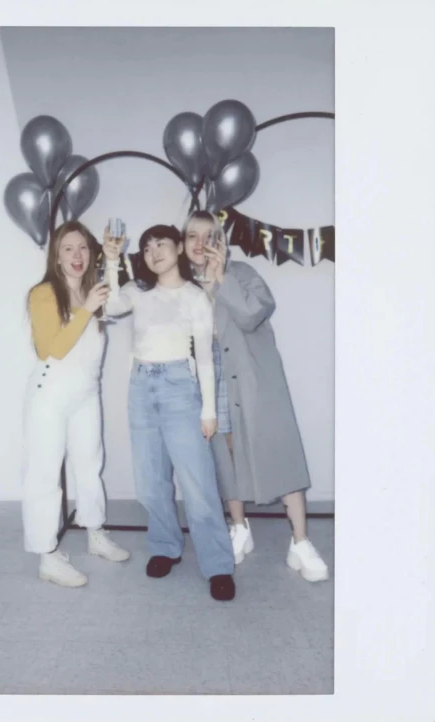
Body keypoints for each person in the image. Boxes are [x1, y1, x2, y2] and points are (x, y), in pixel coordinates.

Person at [182, 210, 329, 583]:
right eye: (191, 237)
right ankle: (239, 527)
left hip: (253, 382)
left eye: (207, 235)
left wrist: (221, 280)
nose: (199, 244)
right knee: (225, 457)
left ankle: (300, 542)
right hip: (213, 386)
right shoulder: (184, 288)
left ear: (220, 241)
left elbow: (252, 315)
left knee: (279, 454)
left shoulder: (243, 274)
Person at [102, 223, 236, 601]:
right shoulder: (139, 291)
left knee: (198, 484)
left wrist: (208, 410)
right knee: (150, 479)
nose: (153, 251)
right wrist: (112, 263)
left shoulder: (195, 297)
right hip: (141, 387)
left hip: (181, 387)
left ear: (178, 247)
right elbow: (111, 307)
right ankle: (165, 546)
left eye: (161, 243)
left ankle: (219, 565)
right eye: (146, 248)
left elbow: (206, 359)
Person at [21, 220, 130, 589]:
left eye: (83, 247)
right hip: (49, 394)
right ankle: (46, 556)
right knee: (45, 475)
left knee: (89, 466)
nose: (77, 255)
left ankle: (96, 533)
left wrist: (112, 263)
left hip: (86, 394)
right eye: (68, 248)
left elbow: (118, 304)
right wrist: (86, 309)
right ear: (56, 255)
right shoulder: (43, 294)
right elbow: (54, 347)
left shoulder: (92, 290)